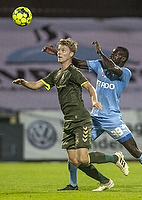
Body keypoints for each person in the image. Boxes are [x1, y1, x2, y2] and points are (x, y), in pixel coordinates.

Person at [42, 40, 142, 190]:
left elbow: (112, 67)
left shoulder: (125, 73)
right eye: (111, 53)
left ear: (122, 58)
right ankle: (73, 184)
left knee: (135, 151)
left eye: (115, 54)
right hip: (94, 118)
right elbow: (76, 63)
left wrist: (100, 53)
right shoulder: (100, 64)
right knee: (73, 149)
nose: (111, 55)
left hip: (112, 120)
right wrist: (56, 55)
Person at [13, 38, 117, 191]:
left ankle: (115, 158)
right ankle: (105, 181)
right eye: (59, 50)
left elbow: (89, 87)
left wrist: (94, 101)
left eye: (63, 51)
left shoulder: (74, 72)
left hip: (81, 119)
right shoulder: (55, 74)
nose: (59, 53)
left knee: (82, 158)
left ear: (71, 54)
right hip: (68, 121)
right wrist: (24, 83)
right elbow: (36, 85)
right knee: (74, 161)